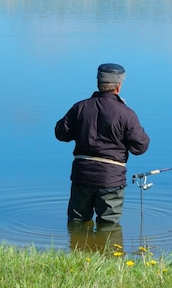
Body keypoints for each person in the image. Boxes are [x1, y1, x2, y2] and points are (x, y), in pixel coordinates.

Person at [55, 63, 150, 224]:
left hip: (82, 175)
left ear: (98, 83)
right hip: (111, 179)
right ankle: (107, 248)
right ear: (118, 87)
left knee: (76, 222)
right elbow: (140, 147)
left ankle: (76, 247)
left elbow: (60, 133)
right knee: (108, 224)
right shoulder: (126, 114)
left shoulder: (80, 107)